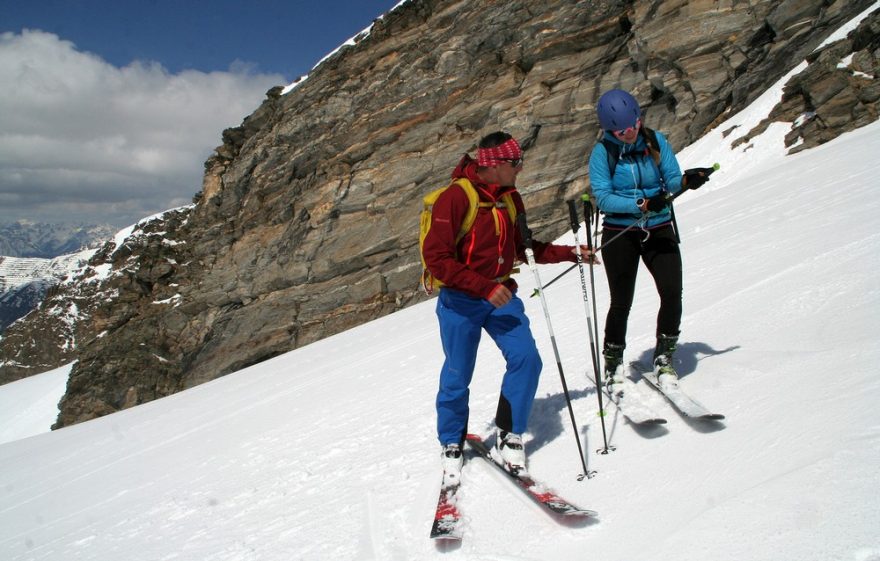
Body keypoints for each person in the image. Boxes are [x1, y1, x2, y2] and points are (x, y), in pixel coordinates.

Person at [422, 131, 591, 478]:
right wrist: (483, 288)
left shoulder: (510, 198)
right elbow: (437, 259)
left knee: (527, 359)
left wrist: (569, 254)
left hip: (500, 295)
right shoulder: (455, 198)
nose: (520, 167)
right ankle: (451, 440)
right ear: (494, 165)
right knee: (458, 372)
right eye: (515, 162)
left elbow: (526, 248)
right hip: (461, 301)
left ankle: (510, 431)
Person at [587, 89, 710, 400]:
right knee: (621, 301)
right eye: (621, 130)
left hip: (659, 227)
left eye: (634, 125)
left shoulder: (655, 141)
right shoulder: (603, 153)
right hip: (621, 231)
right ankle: (613, 362)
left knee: (672, 292)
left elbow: (670, 179)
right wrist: (640, 203)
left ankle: (664, 357)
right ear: (608, 130)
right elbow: (603, 196)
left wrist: (687, 180)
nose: (630, 133)